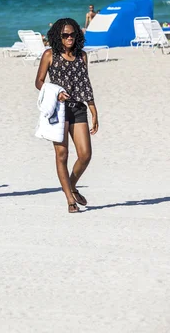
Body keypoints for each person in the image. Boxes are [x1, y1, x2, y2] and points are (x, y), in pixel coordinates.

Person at [35, 18, 98, 213]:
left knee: (85, 155)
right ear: (58, 37)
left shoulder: (82, 56)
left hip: (79, 108)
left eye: (72, 34)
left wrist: (94, 111)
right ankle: (70, 199)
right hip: (59, 109)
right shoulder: (49, 55)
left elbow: (85, 85)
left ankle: (71, 184)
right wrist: (56, 92)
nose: (69, 38)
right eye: (65, 35)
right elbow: (39, 81)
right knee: (62, 154)